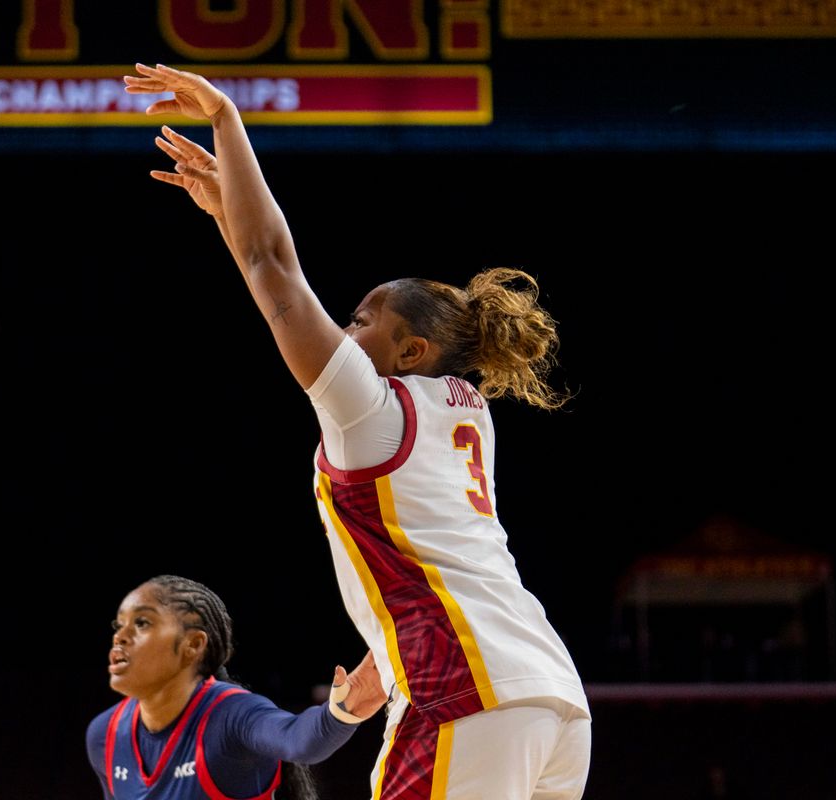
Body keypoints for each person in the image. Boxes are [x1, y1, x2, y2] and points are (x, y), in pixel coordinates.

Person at [123, 64, 592, 800]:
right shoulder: (469, 409)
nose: (344, 328)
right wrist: (227, 213)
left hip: (461, 691)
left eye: (363, 320)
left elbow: (272, 266)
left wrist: (226, 119)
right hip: (555, 699)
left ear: (412, 352)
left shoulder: (374, 411)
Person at [86, 574, 386, 799]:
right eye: (119, 625)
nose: (120, 637)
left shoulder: (230, 714)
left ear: (193, 645)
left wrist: (342, 712)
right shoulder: (105, 734)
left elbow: (298, 740)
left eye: (141, 624)